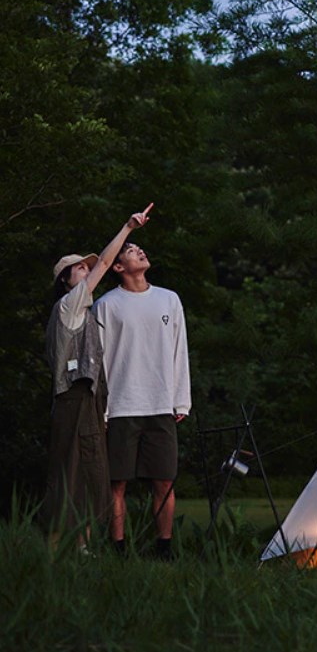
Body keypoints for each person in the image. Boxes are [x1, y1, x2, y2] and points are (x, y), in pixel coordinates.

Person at [45, 204, 152, 550]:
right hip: (72, 401)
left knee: (91, 474)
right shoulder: (68, 306)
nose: (88, 271)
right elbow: (106, 263)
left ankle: (84, 548)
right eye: (80, 269)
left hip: (87, 402)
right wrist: (127, 228)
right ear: (67, 281)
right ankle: (68, 548)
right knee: (72, 475)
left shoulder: (83, 312)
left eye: (86, 267)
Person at [94, 233, 191, 560]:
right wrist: (101, 410)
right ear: (119, 266)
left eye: (139, 247)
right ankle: (118, 549)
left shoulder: (169, 299)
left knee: (164, 481)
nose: (140, 250)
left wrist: (181, 400)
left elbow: (180, 351)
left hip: (161, 403)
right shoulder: (106, 305)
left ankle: (164, 548)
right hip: (120, 405)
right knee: (116, 483)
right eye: (132, 250)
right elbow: (101, 360)